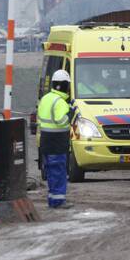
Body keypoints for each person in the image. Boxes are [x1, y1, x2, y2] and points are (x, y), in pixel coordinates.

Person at [37, 69, 74, 208]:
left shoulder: (45, 99)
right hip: (57, 142)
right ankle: (58, 201)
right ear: (65, 85)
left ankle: (53, 199)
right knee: (59, 171)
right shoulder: (60, 102)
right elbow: (61, 121)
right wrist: (70, 114)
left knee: (51, 172)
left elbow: (41, 119)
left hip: (45, 140)